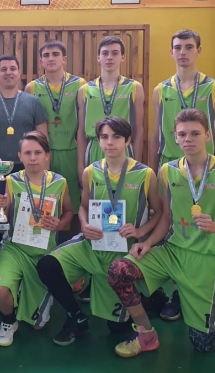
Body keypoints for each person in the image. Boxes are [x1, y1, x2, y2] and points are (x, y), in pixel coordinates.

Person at [107, 108, 215, 358]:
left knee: (202, 344)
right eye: (182, 134)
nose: (188, 139)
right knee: (119, 271)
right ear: (175, 137)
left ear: (207, 135)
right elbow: (166, 216)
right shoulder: (167, 170)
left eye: (195, 133)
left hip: (207, 256)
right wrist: (149, 242)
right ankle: (146, 333)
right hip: (172, 252)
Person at [37, 117, 162, 345]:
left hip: (123, 252)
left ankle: (147, 298)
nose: (109, 142)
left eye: (116, 137)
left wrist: (139, 230)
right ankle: (76, 316)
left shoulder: (145, 174)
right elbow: (83, 207)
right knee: (47, 265)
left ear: (128, 141)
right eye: (104, 137)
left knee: (117, 329)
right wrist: (84, 224)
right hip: (93, 245)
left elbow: (159, 212)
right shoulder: (91, 172)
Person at [148, 29, 215, 321]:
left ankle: (189, 294)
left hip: (203, 171)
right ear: (171, 51)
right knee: (169, 226)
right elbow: (155, 135)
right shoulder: (161, 89)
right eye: (178, 47)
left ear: (198, 51)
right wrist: (151, 173)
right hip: (169, 168)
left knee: (196, 230)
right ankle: (168, 291)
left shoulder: (214, 87)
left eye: (189, 47)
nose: (183, 52)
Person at [75, 35, 144, 302]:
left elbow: (139, 130)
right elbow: (81, 132)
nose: (110, 57)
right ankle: (94, 275)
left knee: (126, 213)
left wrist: (138, 160)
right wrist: (81, 164)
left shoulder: (134, 87)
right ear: (98, 57)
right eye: (105, 53)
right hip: (94, 152)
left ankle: (127, 274)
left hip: (124, 154)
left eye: (115, 53)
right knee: (95, 214)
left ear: (123, 57)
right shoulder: (85, 90)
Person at [0, 131, 73, 346]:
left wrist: (60, 224)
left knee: (37, 326)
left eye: (38, 152)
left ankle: (29, 294)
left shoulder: (59, 182)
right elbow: (2, 216)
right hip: (15, 248)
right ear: (20, 156)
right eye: (27, 153)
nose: (33, 157)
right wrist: (1, 206)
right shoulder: (10, 181)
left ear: (47, 155)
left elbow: (68, 212)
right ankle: (8, 321)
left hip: (44, 254)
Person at [25, 41, 86, 223]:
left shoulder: (80, 85)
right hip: (44, 153)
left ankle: (72, 237)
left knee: (73, 205)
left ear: (64, 59)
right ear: (41, 61)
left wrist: (81, 163)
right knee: (46, 199)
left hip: (71, 152)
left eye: (55, 54)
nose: (50, 58)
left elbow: (83, 126)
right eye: (46, 55)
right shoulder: (32, 87)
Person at [0, 55, 48, 174]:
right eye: (4, 69)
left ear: (19, 73)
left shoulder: (34, 102)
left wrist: (45, 171)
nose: (8, 72)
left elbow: (43, 139)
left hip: (27, 167)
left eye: (13, 69)